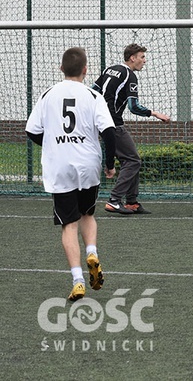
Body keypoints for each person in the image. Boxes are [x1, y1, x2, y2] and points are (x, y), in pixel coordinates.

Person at [26, 47, 117, 301]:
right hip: (87, 164)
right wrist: (110, 164)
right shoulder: (93, 95)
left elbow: (32, 130)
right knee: (87, 212)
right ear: (86, 70)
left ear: (61, 68)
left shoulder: (48, 94)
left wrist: (54, 145)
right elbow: (109, 132)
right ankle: (92, 252)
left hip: (60, 166)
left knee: (68, 224)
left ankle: (78, 279)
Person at [92, 43, 171, 215]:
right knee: (133, 161)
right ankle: (114, 200)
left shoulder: (110, 69)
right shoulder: (130, 75)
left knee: (131, 159)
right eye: (142, 57)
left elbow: (93, 90)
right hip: (113, 123)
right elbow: (133, 106)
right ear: (132, 58)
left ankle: (132, 202)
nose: (145, 60)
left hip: (98, 121)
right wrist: (155, 113)